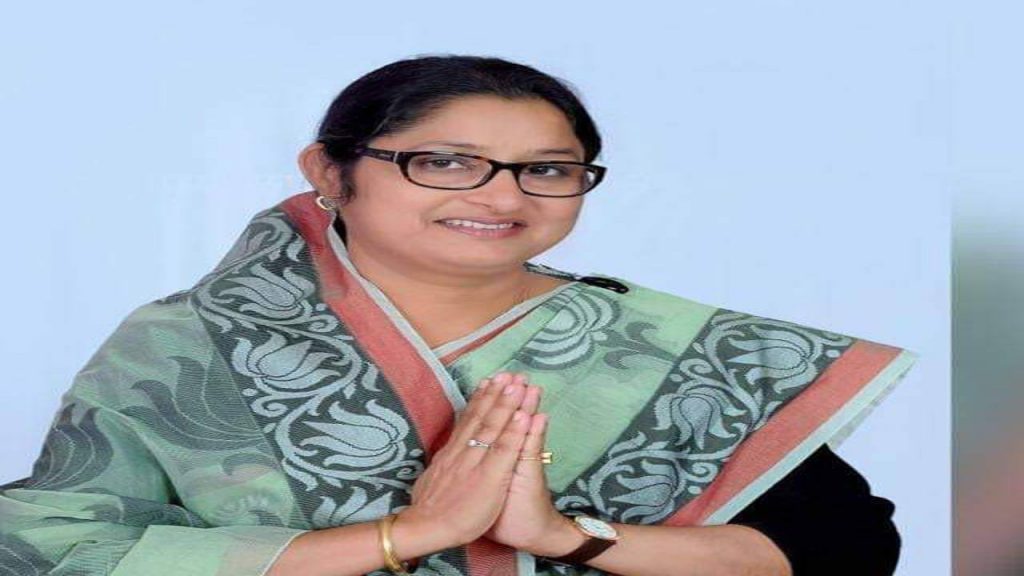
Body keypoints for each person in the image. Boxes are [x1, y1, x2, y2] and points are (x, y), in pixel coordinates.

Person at [0, 54, 917, 576]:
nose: (502, 195)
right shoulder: (190, 341)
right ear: (329, 171)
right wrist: (408, 535)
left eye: (547, 170)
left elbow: (841, 550)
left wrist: (565, 536)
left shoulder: (677, 350)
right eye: (444, 161)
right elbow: (50, 546)